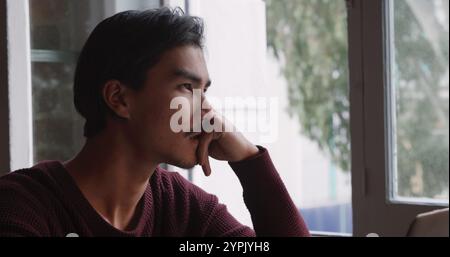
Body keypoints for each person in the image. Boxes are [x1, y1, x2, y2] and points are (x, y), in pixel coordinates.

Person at [0, 7, 310, 237]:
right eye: (187, 88)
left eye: (205, 91)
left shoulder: (181, 207)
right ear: (119, 98)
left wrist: (248, 159)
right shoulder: (23, 205)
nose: (208, 113)